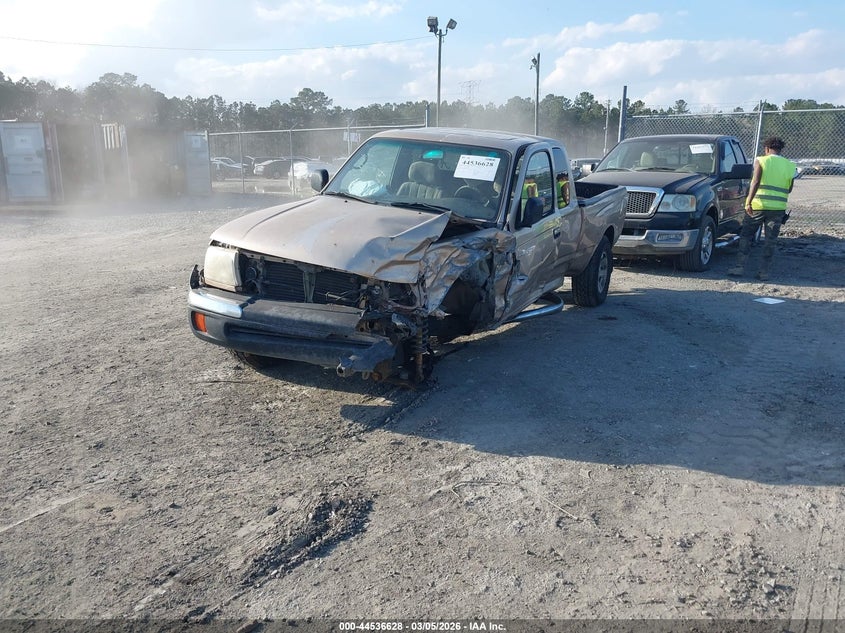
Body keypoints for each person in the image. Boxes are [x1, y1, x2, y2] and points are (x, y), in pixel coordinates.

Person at [728, 136, 796, 280]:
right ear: (780, 149)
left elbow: (756, 181)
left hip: (758, 206)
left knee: (746, 235)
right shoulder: (790, 165)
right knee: (770, 240)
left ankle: (739, 267)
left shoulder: (761, 160)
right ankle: (763, 272)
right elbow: (789, 188)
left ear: (766, 149)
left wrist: (748, 202)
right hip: (777, 209)